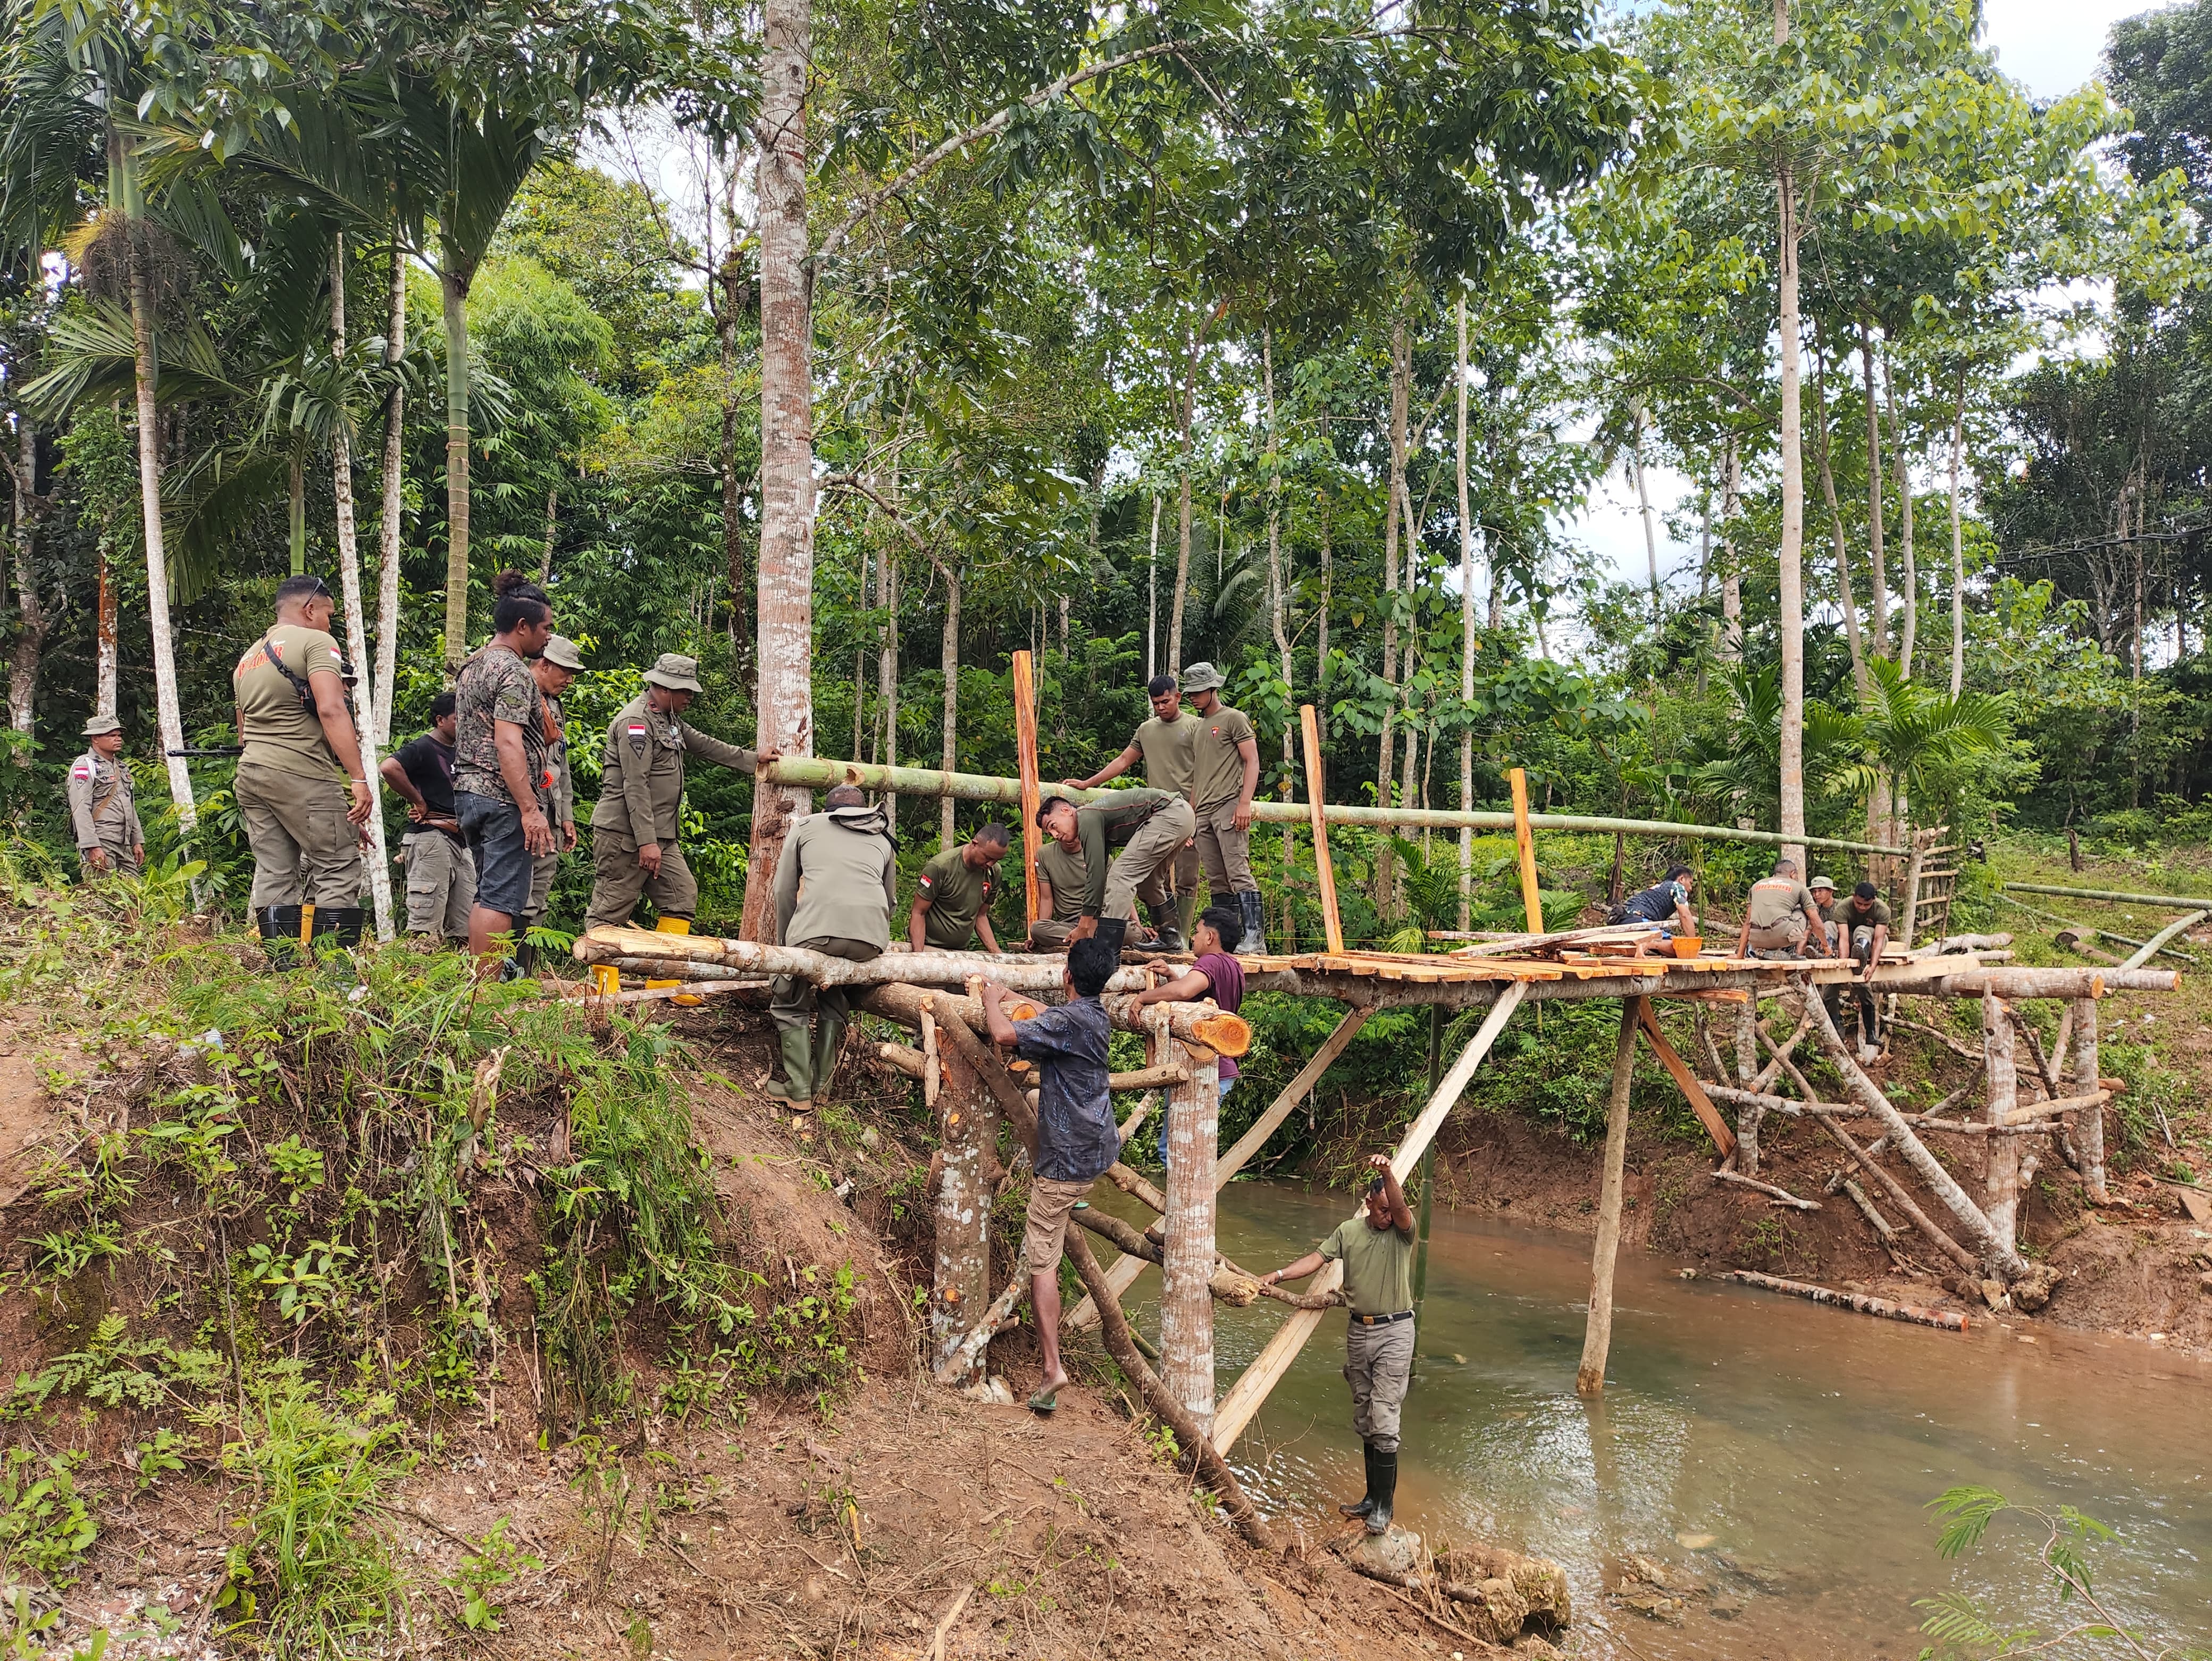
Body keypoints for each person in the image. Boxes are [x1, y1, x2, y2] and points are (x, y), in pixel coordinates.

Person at [977, 936, 1124, 1417]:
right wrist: (1020, 1000)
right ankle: (1072, 1200)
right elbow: (1052, 1016)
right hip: (1097, 1148)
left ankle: (1051, 1367)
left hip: (1065, 1164)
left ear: (1067, 976)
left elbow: (1002, 1036)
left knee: (1043, 1258)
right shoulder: (1093, 1014)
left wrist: (991, 998)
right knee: (1039, 1102)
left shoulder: (1068, 1019)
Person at [584, 652, 764, 993]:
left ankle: (662, 980)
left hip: (662, 835)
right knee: (611, 907)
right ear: (664, 688)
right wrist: (647, 842)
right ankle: (604, 991)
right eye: (685, 692)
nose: (690, 698)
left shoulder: (669, 721)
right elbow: (634, 786)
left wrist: (755, 761)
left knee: (681, 896)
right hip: (626, 835)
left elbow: (708, 747)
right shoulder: (635, 723)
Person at [1258, 1156, 1418, 1535]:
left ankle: (1384, 1506)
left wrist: (1388, 1173)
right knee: (1365, 1416)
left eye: (1390, 1211)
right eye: (1380, 1210)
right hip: (1359, 1330)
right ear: (1368, 1203)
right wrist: (1277, 1275)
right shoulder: (1349, 1231)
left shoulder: (1401, 1231)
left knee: (1384, 1417)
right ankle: (1370, 1497)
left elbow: (1399, 1206)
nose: (1387, 1217)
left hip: (1395, 1330)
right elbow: (1316, 1258)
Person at [232, 573, 374, 964]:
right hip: (301, 770)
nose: (331, 623)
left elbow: (244, 731)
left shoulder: (247, 659)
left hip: (252, 773)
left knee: (276, 870)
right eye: (329, 614)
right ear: (310, 609)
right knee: (338, 864)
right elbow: (331, 708)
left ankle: (284, 969)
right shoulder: (316, 641)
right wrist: (358, 780)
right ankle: (335, 972)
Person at [768, 784, 896, 1113]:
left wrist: (787, 944)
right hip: (870, 941)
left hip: (816, 933)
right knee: (836, 995)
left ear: (829, 811)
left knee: (788, 998)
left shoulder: (806, 827)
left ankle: (798, 1088)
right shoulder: (883, 838)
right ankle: (823, 1086)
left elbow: (783, 891)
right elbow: (890, 900)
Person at [451, 571, 556, 973]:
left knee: (486, 892)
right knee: (501, 897)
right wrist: (530, 808)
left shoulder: (474, 664)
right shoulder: (512, 671)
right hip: (502, 796)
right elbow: (507, 741)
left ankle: (480, 986)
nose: (548, 638)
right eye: (545, 628)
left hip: (470, 792)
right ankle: (490, 992)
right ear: (522, 626)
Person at [1061, 674, 1201, 948]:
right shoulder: (1147, 730)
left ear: (1178, 697)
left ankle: (1183, 938)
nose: (1161, 708)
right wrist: (1088, 783)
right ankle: (1170, 939)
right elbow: (1124, 760)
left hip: (1186, 812)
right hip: (1153, 816)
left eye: (1165, 701)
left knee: (1188, 878)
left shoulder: (1195, 726)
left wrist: (1192, 818)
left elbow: (1203, 772)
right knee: (1153, 877)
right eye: (1156, 703)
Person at [1128, 904, 1243, 1165]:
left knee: (1175, 1153)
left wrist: (1143, 997)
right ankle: (1190, 1204)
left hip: (1203, 1070)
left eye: (1198, 931)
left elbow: (1185, 993)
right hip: (1221, 1067)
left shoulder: (1210, 961)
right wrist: (1172, 975)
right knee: (1191, 1150)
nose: (1194, 937)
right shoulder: (1233, 966)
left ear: (1210, 937)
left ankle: (1183, 1207)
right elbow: (1198, 1001)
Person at [1028, 787, 1196, 953]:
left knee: (1120, 874)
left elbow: (1096, 877)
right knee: (1149, 882)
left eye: (1053, 826)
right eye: (1050, 833)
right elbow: (1099, 875)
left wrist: (1085, 924)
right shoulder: (1096, 824)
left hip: (1170, 813)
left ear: (1066, 811)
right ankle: (1170, 939)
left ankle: (1108, 952)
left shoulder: (1086, 817)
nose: (1055, 835)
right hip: (1181, 814)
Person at [1178, 662, 1265, 954]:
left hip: (1228, 804)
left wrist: (1244, 802)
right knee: (1216, 878)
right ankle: (1228, 940)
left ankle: (1255, 937)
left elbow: (1252, 760)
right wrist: (1190, 815)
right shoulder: (1198, 727)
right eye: (1190, 692)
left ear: (1213, 689)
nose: (1193, 697)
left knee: (1238, 870)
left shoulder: (1233, 719)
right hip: (1202, 810)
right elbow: (1198, 773)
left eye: (1199, 691)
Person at [380, 692, 473, 944]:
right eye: (457, 718)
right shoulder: (423, 747)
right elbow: (389, 767)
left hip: (462, 841)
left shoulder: (463, 751)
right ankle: (417, 977)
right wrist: (418, 801)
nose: (463, 723)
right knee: (426, 926)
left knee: (465, 927)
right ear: (440, 720)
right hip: (432, 837)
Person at [517, 635, 583, 976]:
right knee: (514, 897)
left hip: (550, 815)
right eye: (566, 672)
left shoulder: (554, 706)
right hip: (522, 815)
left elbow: (561, 765)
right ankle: (500, 975)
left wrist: (566, 816)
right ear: (545, 665)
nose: (570, 680)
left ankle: (524, 975)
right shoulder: (517, 692)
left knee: (539, 899)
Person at [909, 823, 1011, 953]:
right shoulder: (940, 867)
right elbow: (919, 913)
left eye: (997, 860)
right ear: (974, 844)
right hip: (930, 947)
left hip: (961, 952)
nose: (991, 864)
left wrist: (997, 954)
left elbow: (980, 916)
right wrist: (919, 956)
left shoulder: (994, 873)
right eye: (988, 858)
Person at [66, 715, 144, 879]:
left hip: (124, 843)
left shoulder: (121, 767)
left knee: (134, 897)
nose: (118, 739)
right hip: (101, 840)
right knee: (102, 897)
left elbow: (130, 805)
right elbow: (80, 809)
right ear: (95, 738)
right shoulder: (84, 766)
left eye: (119, 735)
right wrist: (92, 846)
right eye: (111, 736)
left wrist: (137, 840)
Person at [1829, 880, 1892, 1053]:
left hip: (1871, 944)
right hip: (1849, 944)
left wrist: (1872, 965)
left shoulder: (1882, 910)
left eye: (1866, 905)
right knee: (1828, 992)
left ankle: (1871, 1034)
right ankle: (1837, 1032)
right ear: (1853, 896)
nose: (1862, 907)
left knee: (1862, 931)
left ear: (1874, 901)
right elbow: (1842, 937)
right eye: (1858, 903)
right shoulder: (1843, 907)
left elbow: (1879, 940)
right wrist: (1843, 964)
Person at [1733, 858, 1826, 962]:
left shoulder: (1756, 886)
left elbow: (1748, 922)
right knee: (1804, 911)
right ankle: (1797, 952)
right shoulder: (1799, 888)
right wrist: (1826, 947)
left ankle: (1763, 951)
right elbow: (1816, 922)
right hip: (1781, 935)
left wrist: (1740, 956)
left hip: (1756, 939)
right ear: (1793, 874)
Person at [1618, 864, 1696, 938]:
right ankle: (1645, 946)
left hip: (1621, 917)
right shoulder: (1678, 887)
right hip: (1639, 920)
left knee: (1669, 934)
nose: (1690, 889)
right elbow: (1685, 915)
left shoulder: (1660, 887)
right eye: (1690, 883)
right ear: (1682, 879)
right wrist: (1693, 944)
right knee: (1677, 945)